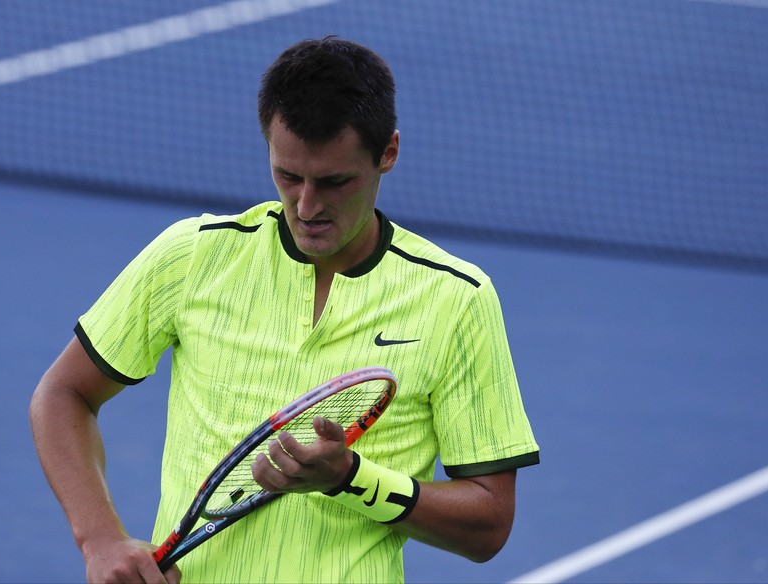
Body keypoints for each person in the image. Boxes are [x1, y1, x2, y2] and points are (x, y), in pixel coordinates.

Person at [30, 36, 539, 583]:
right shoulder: (193, 255)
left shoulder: (456, 300)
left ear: (387, 153)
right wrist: (100, 539)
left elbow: (488, 524)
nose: (307, 205)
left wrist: (351, 479)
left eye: (334, 182)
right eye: (288, 177)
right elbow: (64, 393)